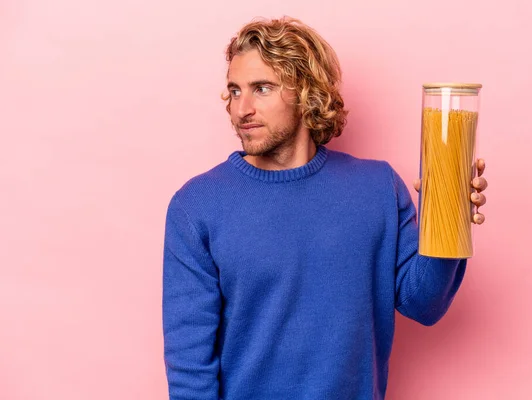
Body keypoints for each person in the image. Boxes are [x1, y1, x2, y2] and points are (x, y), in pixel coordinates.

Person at [162, 16, 488, 400]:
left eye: (261, 88)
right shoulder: (197, 206)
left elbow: (426, 304)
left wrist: (448, 218)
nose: (241, 109)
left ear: (305, 93)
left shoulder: (377, 188)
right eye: (234, 91)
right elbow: (189, 371)